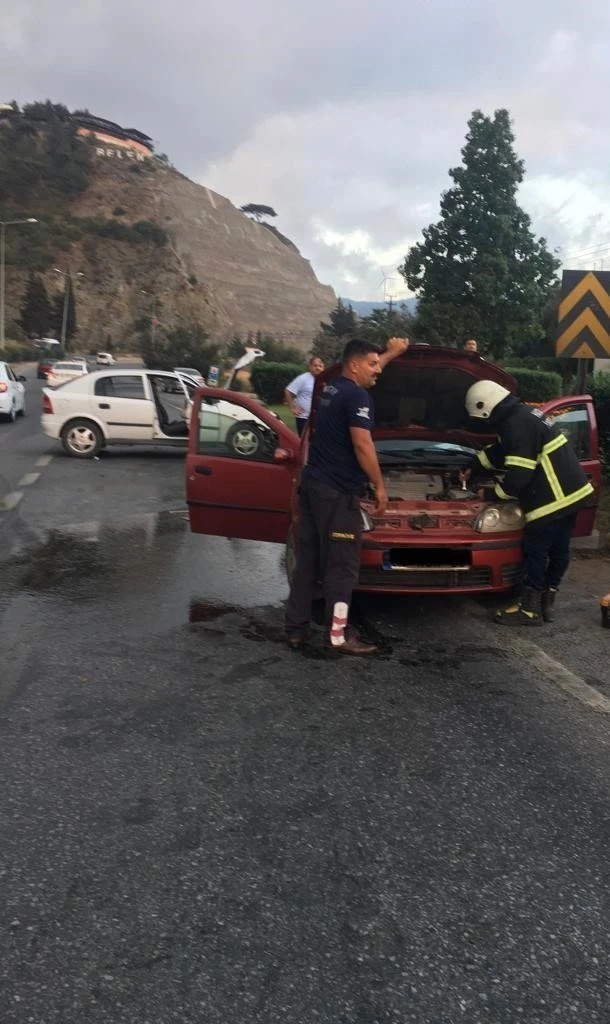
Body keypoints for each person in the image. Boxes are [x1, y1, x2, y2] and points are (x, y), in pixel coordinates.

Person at [285, 336, 409, 655]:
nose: (377, 369)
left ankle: (296, 630)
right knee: (342, 567)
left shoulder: (333, 388)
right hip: (338, 494)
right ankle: (337, 637)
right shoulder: (357, 397)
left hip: (313, 487)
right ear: (354, 365)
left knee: (308, 562)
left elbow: (371, 368)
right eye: (372, 364)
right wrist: (380, 486)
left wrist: (391, 353)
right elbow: (362, 445)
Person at [462, 380, 594, 625]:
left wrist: (490, 495)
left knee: (535, 550)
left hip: (550, 501)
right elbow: (504, 450)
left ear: (485, 407)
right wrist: (473, 464)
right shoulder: (524, 416)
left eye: (482, 417)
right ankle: (547, 600)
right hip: (574, 495)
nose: (484, 422)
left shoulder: (516, 424)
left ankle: (529, 609)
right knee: (559, 550)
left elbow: (518, 478)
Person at [284, 357, 325, 436]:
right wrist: (292, 408)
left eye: (320, 366)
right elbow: (288, 391)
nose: (317, 368)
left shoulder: (326, 380)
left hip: (319, 419)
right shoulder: (303, 378)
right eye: (315, 366)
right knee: (305, 443)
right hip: (304, 419)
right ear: (310, 367)